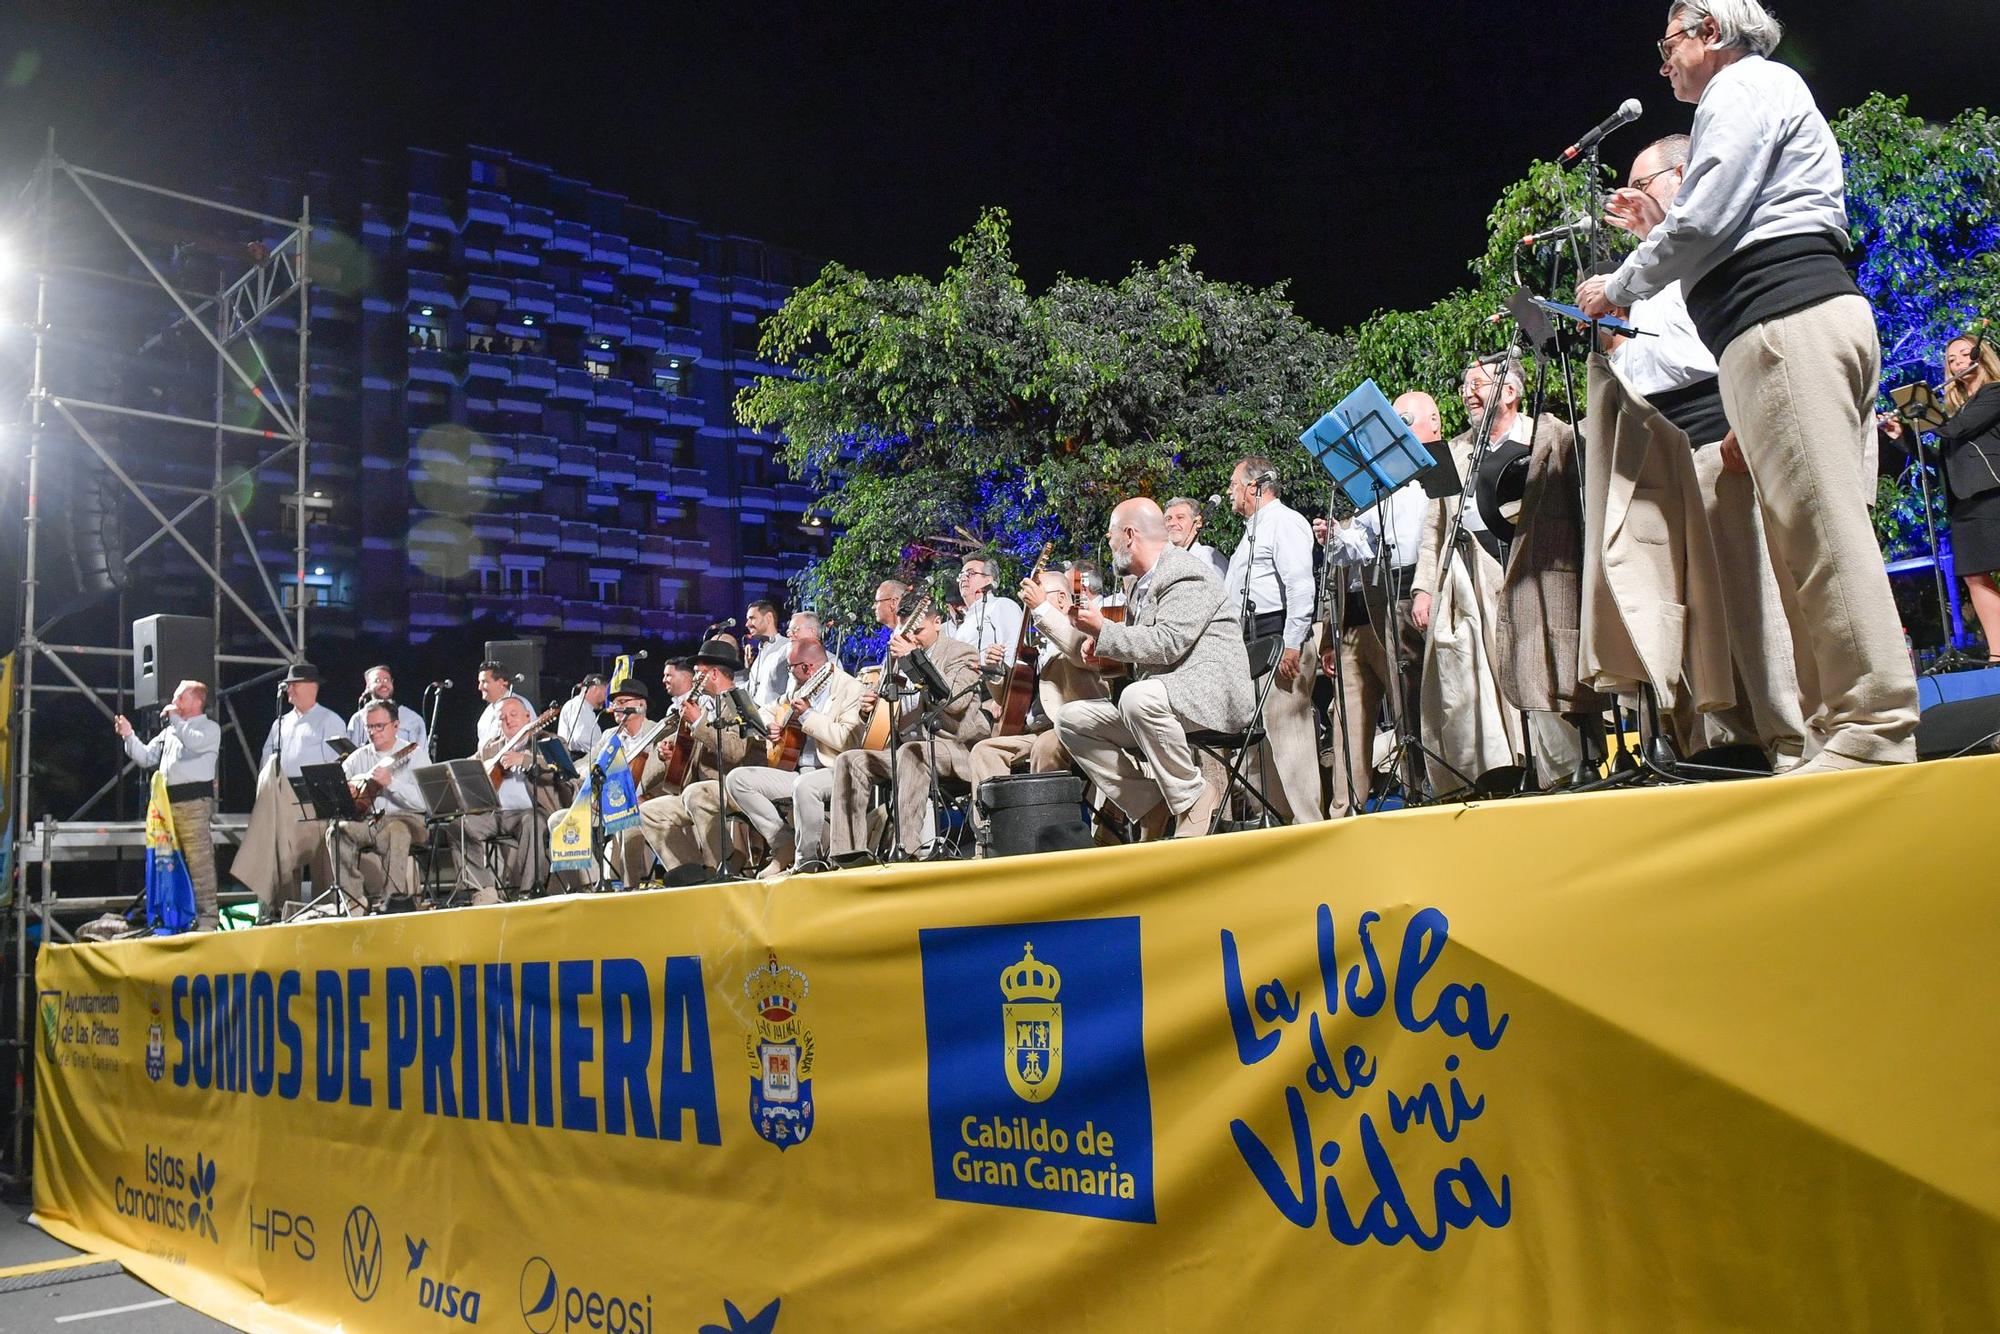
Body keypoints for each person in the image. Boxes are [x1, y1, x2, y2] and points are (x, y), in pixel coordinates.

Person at [1578, 0, 1919, 773]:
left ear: (1710, 33)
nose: (1662, 62)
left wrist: (1620, 285)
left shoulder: (1742, 88)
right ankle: (1840, 726)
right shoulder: (1757, 92)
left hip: (1783, 319)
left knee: (1822, 536)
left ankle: (1874, 722)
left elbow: (1704, 219)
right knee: (1803, 541)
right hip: (1778, 328)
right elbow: (1714, 215)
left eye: (1668, 44)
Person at [1601, 133, 1807, 767]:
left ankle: (1793, 739)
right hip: (1669, 448)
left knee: (1753, 598)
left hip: (1720, 434)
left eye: (1644, 183)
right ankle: (1736, 740)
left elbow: (1694, 354)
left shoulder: (1709, 245)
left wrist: (1629, 341)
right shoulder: (1656, 267)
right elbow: (1641, 365)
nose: (1631, 199)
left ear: (1683, 175)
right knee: (1705, 611)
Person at [1411, 360, 1579, 792]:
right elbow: (1434, 529)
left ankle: (1561, 772)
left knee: (1543, 666)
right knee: (1477, 679)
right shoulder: (1450, 453)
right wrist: (1423, 589)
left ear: (1510, 392)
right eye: (1464, 384)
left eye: (1478, 384)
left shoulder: (1548, 434)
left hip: (1537, 567)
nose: (1468, 392)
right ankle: (1501, 772)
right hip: (1472, 576)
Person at [1058, 498, 1253, 838]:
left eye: (1112, 534)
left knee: (1138, 698)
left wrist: (1103, 630)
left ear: (1130, 535)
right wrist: (1103, 649)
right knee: (1071, 720)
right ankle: (1150, 802)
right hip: (1161, 701)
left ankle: (1193, 796)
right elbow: (1143, 646)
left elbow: (1167, 643)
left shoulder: (1184, 572)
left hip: (1210, 696)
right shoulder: (1139, 584)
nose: (1109, 540)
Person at [1316, 392, 1434, 815]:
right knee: (1354, 715)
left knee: (1411, 704)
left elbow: (1431, 542)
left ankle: (1423, 790)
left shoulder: (1428, 484)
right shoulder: (1376, 494)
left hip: (1411, 593)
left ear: (1431, 424)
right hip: (1373, 605)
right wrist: (1335, 536)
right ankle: (1347, 806)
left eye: (1403, 420)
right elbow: (1358, 548)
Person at [829, 595, 991, 860]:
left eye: (918, 631)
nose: (912, 638)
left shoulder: (961, 652)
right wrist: (867, 708)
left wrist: (913, 659)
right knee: (850, 761)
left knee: (912, 753)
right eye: (906, 632)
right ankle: (848, 853)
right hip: (907, 749)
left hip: (956, 748)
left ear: (937, 622)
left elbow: (952, 703)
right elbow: (883, 713)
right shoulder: (893, 660)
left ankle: (908, 849)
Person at [965, 567, 1111, 834]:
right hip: (1034, 730)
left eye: (1041, 593)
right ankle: (992, 838)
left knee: (1045, 745)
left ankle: (1048, 835)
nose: (1031, 601)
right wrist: (994, 671)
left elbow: (1080, 652)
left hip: (1073, 726)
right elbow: (1012, 699)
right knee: (984, 750)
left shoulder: (1080, 629)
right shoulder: (1036, 644)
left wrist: (1043, 609)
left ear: (1062, 599)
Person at [1223, 456, 1323, 824]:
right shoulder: (1250, 531)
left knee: (1289, 738)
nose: (1230, 493)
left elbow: (1300, 587)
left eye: (1234, 485)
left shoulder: (1285, 522)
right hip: (1250, 646)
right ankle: (1281, 823)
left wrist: (1292, 643)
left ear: (1254, 486)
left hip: (1279, 640)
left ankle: (1310, 825)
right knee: (1256, 753)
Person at [1889, 333, 2000, 662]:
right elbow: (1941, 459)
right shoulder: (1958, 411)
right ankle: (1998, 654)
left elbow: (1956, 430)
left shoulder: (1994, 393)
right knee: (1974, 575)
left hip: (1991, 493)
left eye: (1965, 354)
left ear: (1982, 357)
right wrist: (1905, 437)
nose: (1958, 362)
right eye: (1951, 359)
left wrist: (1919, 411)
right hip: (1964, 500)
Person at [725, 624, 867, 877]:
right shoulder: (798, 686)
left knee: (805, 786)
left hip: (835, 768)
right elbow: (771, 708)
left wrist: (809, 716)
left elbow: (847, 740)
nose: (787, 672)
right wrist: (770, 724)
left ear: (807, 667)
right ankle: (783, 843)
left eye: (790, 667)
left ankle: (806, 862)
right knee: (737, 780)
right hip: (797, 769)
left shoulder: (850, 688)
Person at [237, 662, 347, 922]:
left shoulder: (329, 720)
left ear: (312, 688)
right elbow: (267, 759)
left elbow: (338, 762)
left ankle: (326, 913)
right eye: (288, 687)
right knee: (284, 858)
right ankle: (286, 912)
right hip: (285, 797)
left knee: (322, 862)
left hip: (316, 798)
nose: (289, 692)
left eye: (294, 686)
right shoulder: (280, 723)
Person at [114, 680, 221, 930]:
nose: (174, 703)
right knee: (169, 860)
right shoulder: (171, 731)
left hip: (194, 803)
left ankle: (208, 919)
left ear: (196, 701)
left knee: (199, 862)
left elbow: (193, 742)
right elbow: (146, 757)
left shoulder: (208, 729)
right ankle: (176, 917)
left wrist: (175, 721)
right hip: (166, 806)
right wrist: (129, 735)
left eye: (180, 698)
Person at [662, 640, 770, 877]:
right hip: (701, 789)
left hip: (735, 786)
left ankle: (720, 869)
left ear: (713, 673)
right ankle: (695, 872)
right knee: (650, 813)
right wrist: (671, 749)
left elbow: (735, 751)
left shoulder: (742, 703)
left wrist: (700, 723)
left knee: (696, 794)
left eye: (699, 674)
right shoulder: (705, 704)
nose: (695, 680)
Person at [331, 701, 426, 914]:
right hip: (369, 824)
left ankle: (393, 901)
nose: (373, 732)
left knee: (397, 830)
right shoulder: (358, 757)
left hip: (404, 821)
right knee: (337, 831)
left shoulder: (414, 754)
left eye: (379, 726)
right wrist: (350, 790)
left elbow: (424, 801)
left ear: (395, 725)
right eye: (369, 727)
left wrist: (391, 784)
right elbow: (339, 789)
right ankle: (354, 900)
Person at [460, 696, 548, 903]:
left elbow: (560, 768)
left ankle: (528, 892)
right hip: (497, 814)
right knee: (460, 825)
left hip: (532, 812)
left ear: (527, 717)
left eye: (513, 715)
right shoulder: (491, 747)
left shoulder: (545, 740)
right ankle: (484, 889)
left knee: (532, 823)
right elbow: (466, 770)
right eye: (502, 718)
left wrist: (525, 760)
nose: (508, 721)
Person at [591, 682, 670, 887]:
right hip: (608, 803)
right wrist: (593, 790)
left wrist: (648, 797)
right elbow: (588, 765)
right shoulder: (609, 735)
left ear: (641, 705)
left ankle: (629, 889)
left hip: (644, 803)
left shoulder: (659, 731)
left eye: (623, 702)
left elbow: (666, 775)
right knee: (558, 821)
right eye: (614, 702)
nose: (616, 706)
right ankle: (585, 886)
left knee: (627, 822)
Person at [949, 556, 1025, 667]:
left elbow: (1014, 648)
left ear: (988, 580)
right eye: (961, 574)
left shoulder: (1001, 605)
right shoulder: (964, 623)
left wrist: (1005, 682)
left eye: (971, 573)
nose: (963, 578)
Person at [344, 665, 428, 752]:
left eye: (386, 680)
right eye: (377, 680)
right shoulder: (358, 719)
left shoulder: (413, 719)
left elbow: (421, 755)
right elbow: (351, 754)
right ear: (368, 686)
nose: (383, 684)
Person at [744, 599, 793, 709]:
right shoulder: (759, 653)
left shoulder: (786, 647)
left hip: (777, 719)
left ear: (768, 618)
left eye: (752, 618)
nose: (747, 624)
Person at [474, 661, 533, 751]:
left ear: (501, 683)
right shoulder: (486, 714)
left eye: (484, 682)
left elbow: (531, 741)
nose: (480, 687)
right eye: (479, 682)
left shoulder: (520, 705)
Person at [1164, 497, 1229, 577]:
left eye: (1180, 517)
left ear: (1198, 522)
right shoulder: (1164, 560)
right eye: (1168, 519)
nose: (1172, 523)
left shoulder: (1205, 555)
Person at [558, 674, 609, 757]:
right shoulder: (580, 706)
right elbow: (582, 738)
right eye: (605, 691)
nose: (605, 697)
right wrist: (603, 752)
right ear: (595, 688)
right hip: (580, 760)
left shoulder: (578, 705)